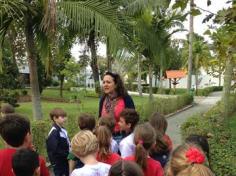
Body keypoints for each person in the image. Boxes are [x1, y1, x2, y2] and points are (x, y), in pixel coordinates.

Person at [99, 71, 135, 143]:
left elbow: (132, 119)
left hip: (121, 137)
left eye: (108, 82)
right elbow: (99, 117)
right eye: (104, 82)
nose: (105, 84)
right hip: (105, 137)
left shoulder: (126, 99)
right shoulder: (103, 99)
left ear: (116, 85)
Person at [46, 108, 70, 176]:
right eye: (62, 117)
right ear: (55, 118)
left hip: (65, 160)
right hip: (59, 163)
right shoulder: (54, 132)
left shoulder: (62, 129)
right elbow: (54, 150)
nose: (65, 119)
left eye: (65, 116)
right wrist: (68, 154)